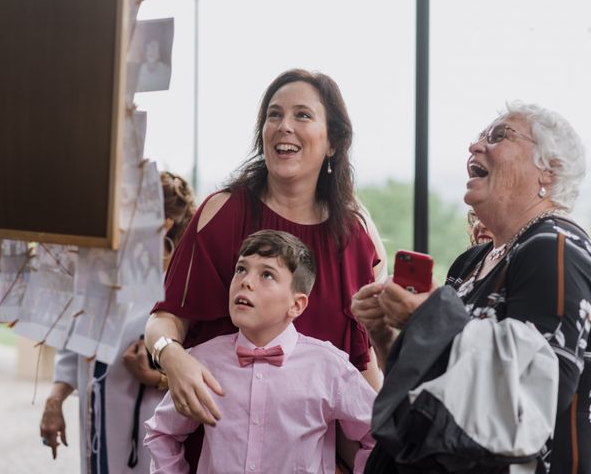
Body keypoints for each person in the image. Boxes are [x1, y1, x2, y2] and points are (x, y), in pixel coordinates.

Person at [144, 68, 387, 470]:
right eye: (274, 115)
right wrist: (172, 358)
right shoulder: (222, 212)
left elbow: (362, 367)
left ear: (334, 142)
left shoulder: (352, 236)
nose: (284, 126)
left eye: (302, 115)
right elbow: (166, 318)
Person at [352, 101, 591, 473]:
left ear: (549, 169)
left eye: (499, 136)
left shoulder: (554, 246)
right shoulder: (472, 261)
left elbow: (541, 385)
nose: (475, 147)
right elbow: (442, 381)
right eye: (480, 136)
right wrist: (386, 337)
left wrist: (427, 315)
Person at [145, 230, 376, 473]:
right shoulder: (202, 360)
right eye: (241, 269)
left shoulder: (329, 366)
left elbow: (378, 435)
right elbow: (162, 432)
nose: (245, 281)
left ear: (296, 305)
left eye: (267, 274)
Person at [39, 171, 196, 474]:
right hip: (97, 431)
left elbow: (203, 370)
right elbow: (74, 349)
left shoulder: (183, 290)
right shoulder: (104, 279)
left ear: (165, 225)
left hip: (150, 443)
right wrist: (54, 401)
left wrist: (158, 378)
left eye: (134, 216)